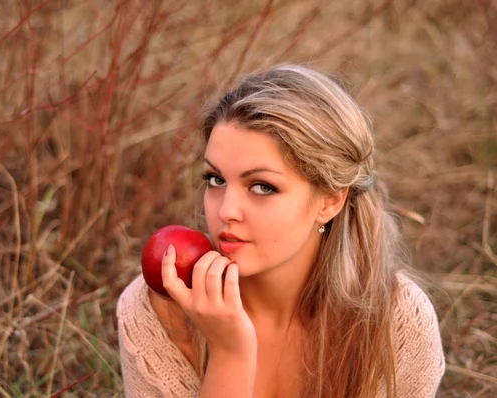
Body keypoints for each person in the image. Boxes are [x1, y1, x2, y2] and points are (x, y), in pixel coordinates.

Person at [116, 64, 445, 397]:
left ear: (329, 201)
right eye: (216, 180)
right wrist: (230, 356)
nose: (226, 211)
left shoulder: (396, 321)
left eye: (262, 187)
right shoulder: (160, 308)